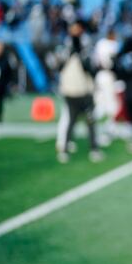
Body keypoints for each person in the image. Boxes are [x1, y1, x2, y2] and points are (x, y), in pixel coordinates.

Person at [55, 21, 103, 163]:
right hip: (70, 90)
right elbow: (59, 66)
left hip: (84, 89)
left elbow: (90, 67)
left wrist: (81, 54)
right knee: (70, 120)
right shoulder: (65, 46)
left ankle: (94, 148)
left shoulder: (86, 45)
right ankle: (64, 147)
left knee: (90, 120)